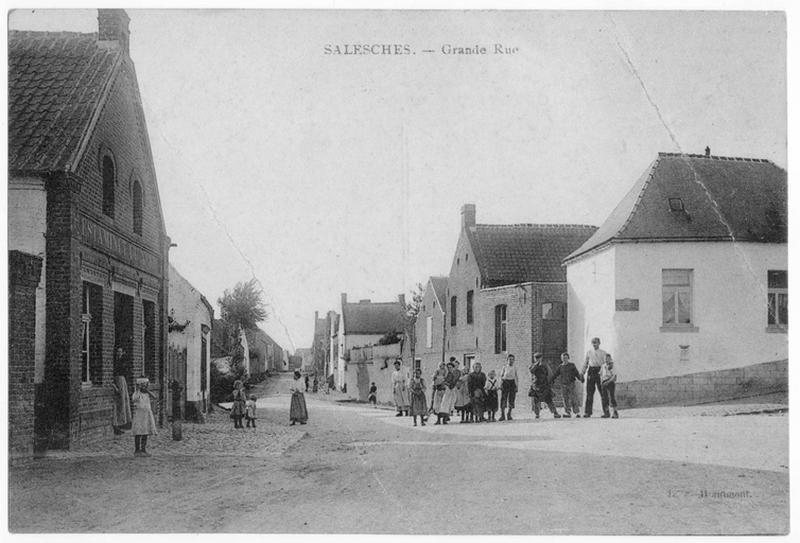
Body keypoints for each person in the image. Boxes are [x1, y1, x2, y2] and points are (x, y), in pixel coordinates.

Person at [549, 352, 584, 417]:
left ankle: (576, 412)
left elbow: (576, 373)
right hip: (563, 385)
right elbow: (555, 374)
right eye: (563, 358)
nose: (564, 359)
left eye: (565, 358)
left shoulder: (572, 365)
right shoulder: (560, 366)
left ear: (568, 358)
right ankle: (568, 412)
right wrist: (551, 380)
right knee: (565, 399)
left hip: (571, 384)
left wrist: (580, 379)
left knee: (573, 398)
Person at [528, 353, 561, 419]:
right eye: (536, 358)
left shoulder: (545, 365)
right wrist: (537, 364)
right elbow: (532, 371)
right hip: (536, 385)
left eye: (539, 358)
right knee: (536, 401)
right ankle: (537, 414)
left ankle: (555, 413)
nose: (537, 359)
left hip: (544, 385)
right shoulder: (532, 366)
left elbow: (550, 373)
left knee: (549, 400)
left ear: (541, 358)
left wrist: (550, 382)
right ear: (534, 358)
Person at [582, 337, 608, 418]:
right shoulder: (589, 352)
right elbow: (586, 363)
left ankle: (606, 412)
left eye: (596, 342)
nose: (594, 344)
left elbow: (606, 364)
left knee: (603, 392)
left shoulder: (603, 353)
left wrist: (605, 375)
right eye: (593, 343)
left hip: (600, 371)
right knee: (589, 393)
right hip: (591, 371)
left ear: (599, 343)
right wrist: (582, 372)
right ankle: (588, 412)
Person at [132, 376, 157, 457]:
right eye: (142, 385)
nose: (144, 387)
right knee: (138, 432)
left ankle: (143, 449)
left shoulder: (147, 393)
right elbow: (134, 399)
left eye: (146, 385)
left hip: (147, 415)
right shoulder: (137, 393)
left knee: (145, 432)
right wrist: (138, 390)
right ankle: (137, 450)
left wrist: (148, 391)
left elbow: (154, 397)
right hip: (139, 415)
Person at [436, 360, 459, 425]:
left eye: (450, 367)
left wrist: (446, 383)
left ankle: (444, 419)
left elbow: (452, 384)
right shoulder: (445, 374)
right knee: (439, 405)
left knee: (446, 406)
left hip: (449, 391)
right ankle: (438, 420)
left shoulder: (454, 375)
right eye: (448, 367)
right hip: (442, 390)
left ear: (453, 368)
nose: (449, 369)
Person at [499, 354, 519, 421]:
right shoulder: (504, 367)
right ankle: (502, 415)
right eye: (510, 359)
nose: (511, 361)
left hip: (512, 383)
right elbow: (501, 376)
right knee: (503, 399)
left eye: (512, 360)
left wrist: (516, 386)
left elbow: (516, 377)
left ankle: (509, 414)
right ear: (507, 360)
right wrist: (501, 384)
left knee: (512, 399)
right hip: (505, 383)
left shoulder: (515, 368)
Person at [600, 354, 619, 419]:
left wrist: (608, 382)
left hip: (610, 382)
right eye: (605, 358)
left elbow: (614, 377)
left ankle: (615, 412)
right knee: (604, 398)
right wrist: (602, 382)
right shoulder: (603, 366)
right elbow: (601, 374)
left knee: (611, 397)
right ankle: (606, 412)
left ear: (610, 358)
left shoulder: (612, 366)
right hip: (604, 382)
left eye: (608, 358)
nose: (606, 360)